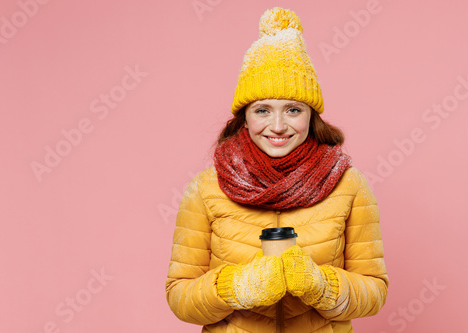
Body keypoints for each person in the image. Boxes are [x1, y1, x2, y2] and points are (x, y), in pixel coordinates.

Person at [166, 7, 388, 333]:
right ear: (245, 116)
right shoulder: (205, 188)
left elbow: (375, 289)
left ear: (311, 115)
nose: (279, 126)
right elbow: (180, 296)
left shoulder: (348, 184)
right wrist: (237, 287)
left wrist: (321, 284)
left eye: (293, 109)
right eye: (263, 110)